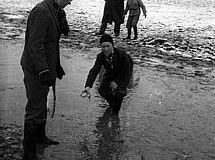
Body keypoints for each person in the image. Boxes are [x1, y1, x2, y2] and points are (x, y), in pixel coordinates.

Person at [20, 0, 71, 159]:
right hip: (36, 69)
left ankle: (40, 138)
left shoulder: (54, 10)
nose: (70, 2)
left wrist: (56, 66)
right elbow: (35, 44)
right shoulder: (41, 11)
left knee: (44, 105)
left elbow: (51, 44)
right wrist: (43, 70)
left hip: (48, 68)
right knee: (35, 108)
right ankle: (28, 154)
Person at [81, 34, 133, 116]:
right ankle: (112, 104)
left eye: (108, 46)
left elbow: (126, 72)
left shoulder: (122, 54)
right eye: (103, 46)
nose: (105, 49)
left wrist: (117, 82)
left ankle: (115, 115)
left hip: (124, 71)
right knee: (102, 90)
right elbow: (94, 71)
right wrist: (88, 86)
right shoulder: (100, 56)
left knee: (119, 93)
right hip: (111, 72)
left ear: (112, 45)